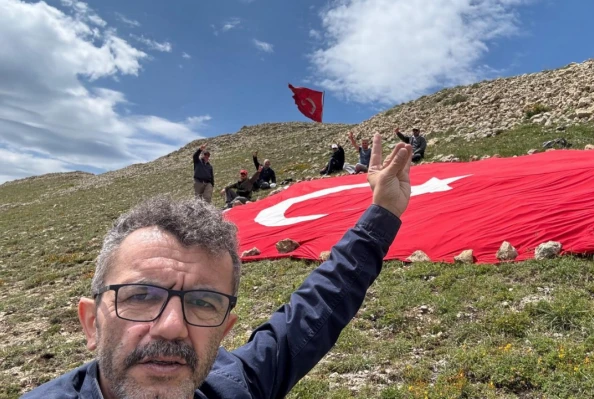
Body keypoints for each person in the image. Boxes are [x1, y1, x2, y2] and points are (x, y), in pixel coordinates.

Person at [22, 134, 412, 399]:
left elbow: (316, 309)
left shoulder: (234, 386)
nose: (172, 326)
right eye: (140, 296)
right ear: (91, 322)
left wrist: (382, 214)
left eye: (203, 303)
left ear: (225, 330)